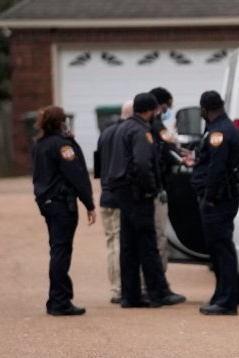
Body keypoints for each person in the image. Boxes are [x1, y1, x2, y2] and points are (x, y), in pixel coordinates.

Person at [106, 92, 186, 308]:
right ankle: (158, 293)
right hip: (139, 195)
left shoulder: (121, 128)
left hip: (123, 194)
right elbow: (142, 164)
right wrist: (151, 187)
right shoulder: (142, 131)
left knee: (128, 247)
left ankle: (130, 296)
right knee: (148, 245)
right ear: (149, 111)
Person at [31, 105, 96, 316]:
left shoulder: (40, 144)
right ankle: (60, 300)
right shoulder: (62, 145)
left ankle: (56, 299)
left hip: (47, 203)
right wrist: (89, 204)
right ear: (60, 122)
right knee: (61, 251)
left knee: (56, 248)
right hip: (61, 204)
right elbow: (76, 174)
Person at [190, 91, 239, 315]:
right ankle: (221, 294)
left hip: (218, 199)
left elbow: (217, 168)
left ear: (205, 110)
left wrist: (209, 197)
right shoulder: (220, 128)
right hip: (220, 197)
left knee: (222, 249)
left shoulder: (219, 131)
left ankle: (227, 300)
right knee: (217, 249)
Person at [148, 87, 191, 271]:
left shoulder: (141, 125)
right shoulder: (156, 125)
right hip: (158, 187)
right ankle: (157, 283)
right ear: (159, 105)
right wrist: (185, 160)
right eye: (166, 106)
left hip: (146, 188)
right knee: (159, 235)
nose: (167, 110)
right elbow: (168, 150)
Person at [96, 100, 133, 304]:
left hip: (105, 195)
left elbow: (99, 165)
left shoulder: (106, 133)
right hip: (120, 195)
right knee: (121, 241)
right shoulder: (129, 132)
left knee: (111, 243)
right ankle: (121, 287)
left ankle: (115, 287)